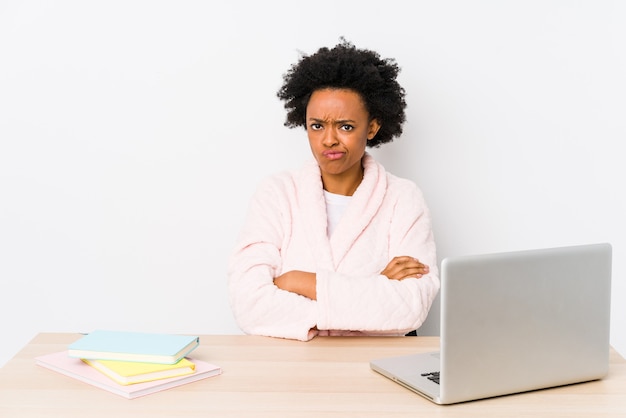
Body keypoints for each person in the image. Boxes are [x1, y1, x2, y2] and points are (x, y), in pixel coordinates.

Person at [228, 39, 439, 341]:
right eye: (316, 126)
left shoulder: (402, 198)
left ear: (372, 127)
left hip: (375, 370)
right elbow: (248, 303)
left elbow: (409, 309)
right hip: (289, 371)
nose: (328, 140)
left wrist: (294, 281)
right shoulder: (277, 194)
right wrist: (372, 291)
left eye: (346, 126)